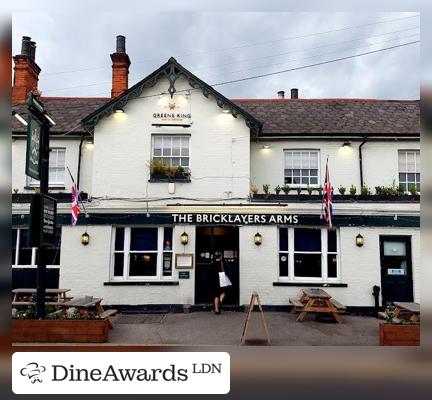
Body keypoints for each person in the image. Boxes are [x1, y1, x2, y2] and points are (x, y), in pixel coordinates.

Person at [211, 250, 227, 314]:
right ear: (220, 256)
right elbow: (223, 270)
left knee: (216, 295)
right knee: (223, 292)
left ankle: (216, 310)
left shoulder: (213, 263)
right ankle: (220, 301)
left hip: (214, 279)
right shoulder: (221, 262)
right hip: (221, 278)